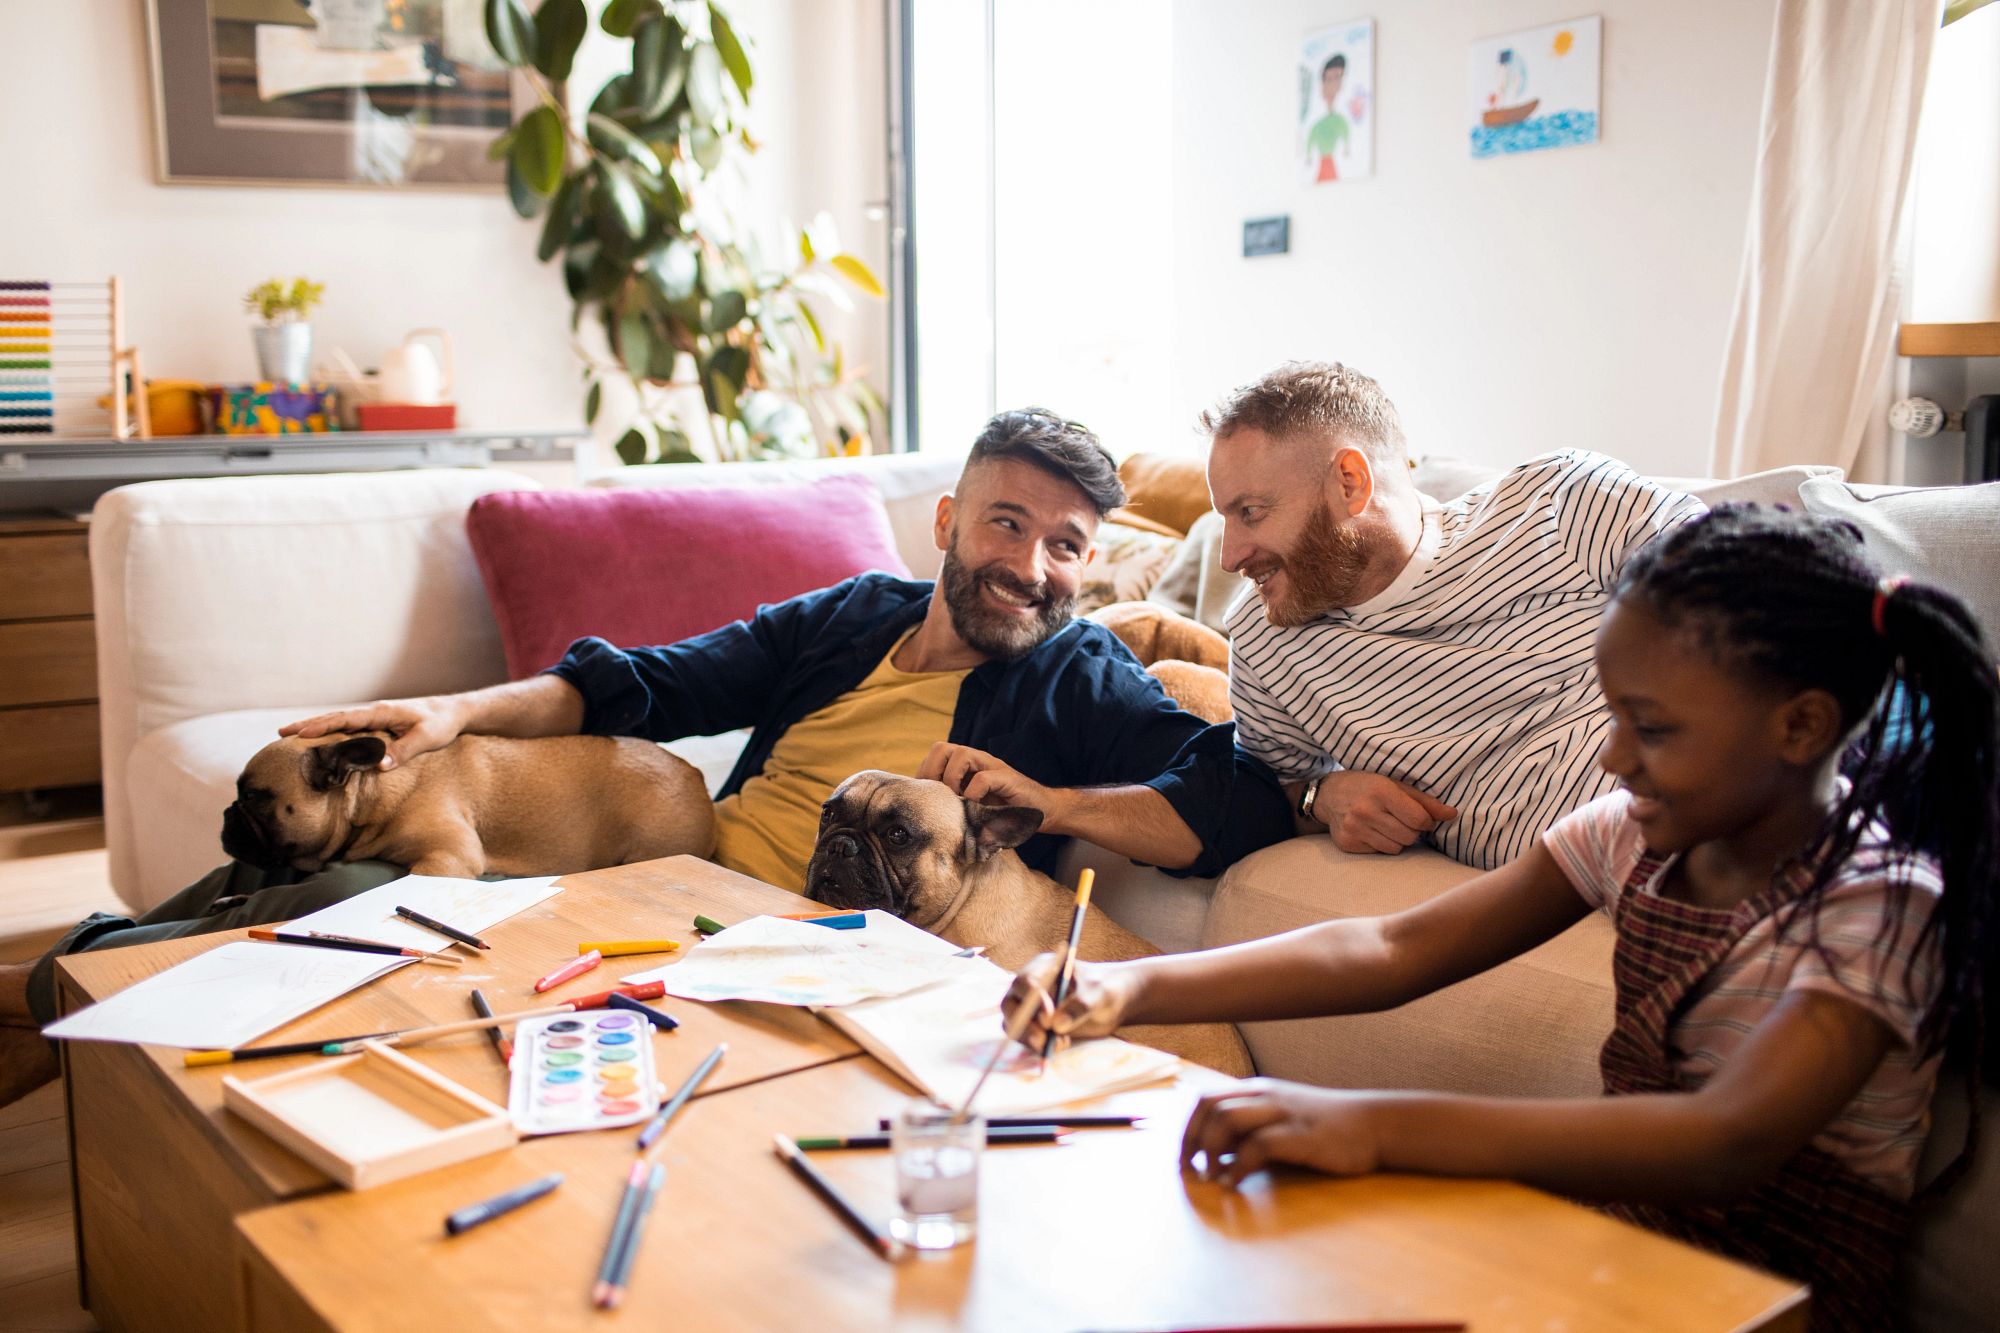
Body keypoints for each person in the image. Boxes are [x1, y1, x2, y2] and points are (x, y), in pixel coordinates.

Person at [0, 410, 1294, 1106]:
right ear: (950, 520)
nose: (1034, 565)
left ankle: (54, 1000)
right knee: (312, 899)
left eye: (1069, 544)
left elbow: (1229, 791)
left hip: (783, 957)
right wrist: (452, 715)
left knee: (349, 913)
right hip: (644, 885)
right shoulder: (852, 616)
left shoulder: (1075, 678)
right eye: (1009, 523)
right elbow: (650, 681)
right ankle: (62, 988)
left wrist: (1059, 802)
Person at [1003, 505, 1998, 1332]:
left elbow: (1721, 1139)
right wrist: (1126, 985)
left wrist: (1372, 1126)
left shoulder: (1879, 904)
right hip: (1618, 1238)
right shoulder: (1627, 834)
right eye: (1610, 715)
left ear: (1799, 725)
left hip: (1780, 1298)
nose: (1611, 758)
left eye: (1650, 727)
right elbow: (1392, 947)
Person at [1209, 360, 1704, 870]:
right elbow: (1267, 796)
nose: (1229, 557)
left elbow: (1755, 597)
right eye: (1223, 518)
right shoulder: (1262, 636)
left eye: (1250, 513)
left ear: (1351, 482)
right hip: (1605, 877)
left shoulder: (1561, 501)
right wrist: (1323, 795)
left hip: (1725, 814)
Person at [1305, 54, 1350, 182]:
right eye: (1329, 79)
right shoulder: (1317, 124)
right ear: (1322, 83)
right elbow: (1310, 140)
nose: (1335, 84)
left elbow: (1345, 134)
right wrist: (1308, 156)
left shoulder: (1341, 121)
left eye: (1338, 78)